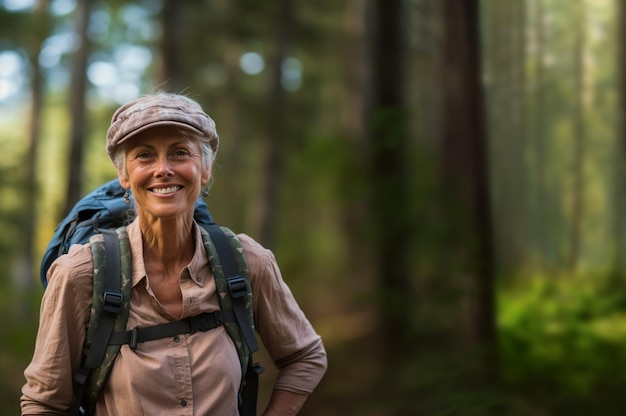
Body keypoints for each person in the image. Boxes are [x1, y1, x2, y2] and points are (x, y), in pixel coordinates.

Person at [21, 92, 327, 415]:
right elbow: (43, 404)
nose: (163, 169)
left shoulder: (244, 262)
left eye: (180, 152)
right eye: (145, 156)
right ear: (124, 175)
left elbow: (305, 356)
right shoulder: (81, 275)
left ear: (205, 170)